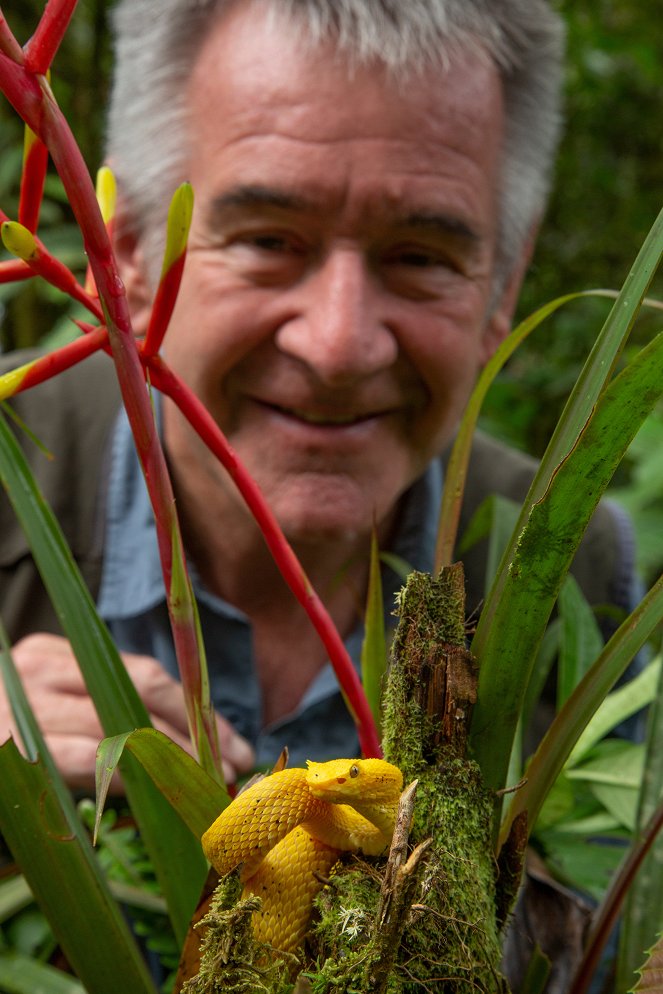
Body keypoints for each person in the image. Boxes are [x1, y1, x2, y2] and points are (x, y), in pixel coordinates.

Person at [0, 0, 636, 795]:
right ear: (122, 241)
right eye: (268, 241)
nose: (338, 347)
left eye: (419, 256)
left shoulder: (565, 562)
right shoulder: (9, 471)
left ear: (502, 284)